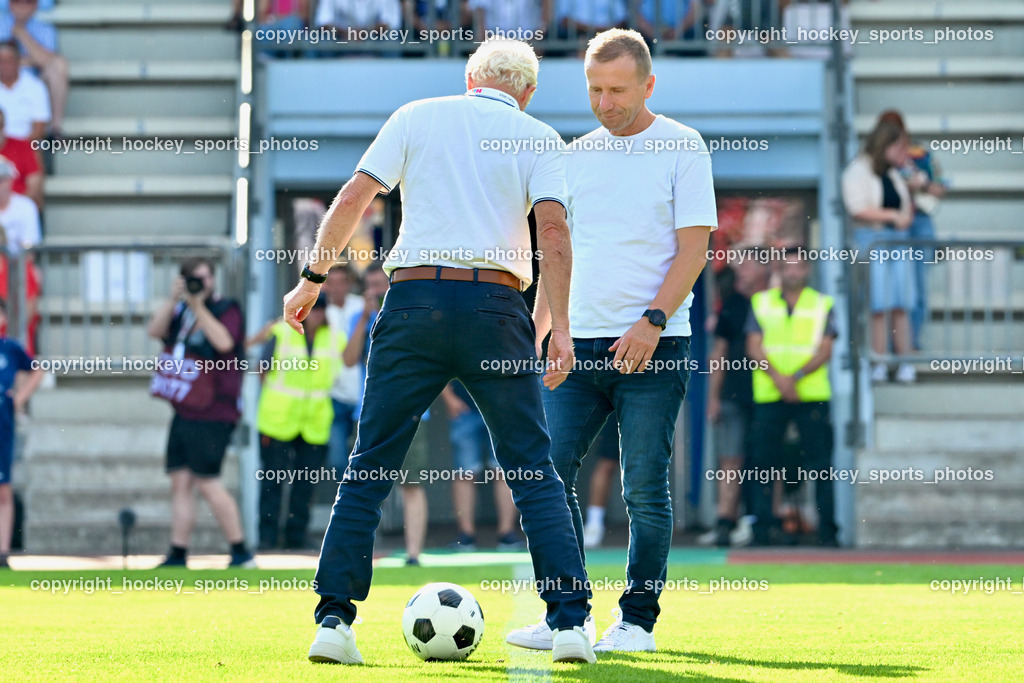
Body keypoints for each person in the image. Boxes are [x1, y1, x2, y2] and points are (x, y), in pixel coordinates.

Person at [284, 39, 595, 665]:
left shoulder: (416, 115)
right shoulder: (539, 136)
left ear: (470, 78)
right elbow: (555, 235)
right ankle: (568, 626)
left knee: (370, 463)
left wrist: (312, 279)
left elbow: (352, 201)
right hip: (497, 307)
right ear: (527, 92)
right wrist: (560, 327)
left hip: (413, 303)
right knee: (534, 468)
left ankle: (333, 624)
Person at [514, 28, 716, 653]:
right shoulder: (572, 156)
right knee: (548, 474)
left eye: (618, 90)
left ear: (648, 85)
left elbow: (695, 249)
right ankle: (565, 616)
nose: (605, 102)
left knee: (643, 486)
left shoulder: (684, 147)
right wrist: (544, 335)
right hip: (577, 349)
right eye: (595, 90)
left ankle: (637, 620)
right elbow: (557, 257)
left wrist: (652, 321)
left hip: (655, 345)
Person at [147, 257, 254, 569]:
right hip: (184, 410)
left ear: (213, 280)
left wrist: (198, 306)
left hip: (215, 411)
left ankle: (240, 550)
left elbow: (223, 342)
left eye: (205, 278)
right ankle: (178, 553)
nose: (200, 284)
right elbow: (155, 331)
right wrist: (174, 300)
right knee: (180, 481)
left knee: (208, 480)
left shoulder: (227, 309)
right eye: (194, 279)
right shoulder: (179, 311)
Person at [335, 262, 430, 567]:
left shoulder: (413, 315)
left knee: (411, 484)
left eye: (381, 286)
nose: (376, 292)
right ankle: (361, 554)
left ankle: (414, 553)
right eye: (371, 287)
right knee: (363, 484)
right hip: (371, 412)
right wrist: (365, 316)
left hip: (412, 413)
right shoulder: (359, 318)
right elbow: (349, 360)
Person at [745, 246, 838, 547]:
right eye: (788, 267)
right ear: (779, 269)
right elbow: (752, 346)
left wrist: (792, 379)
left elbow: (826, 350)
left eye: (798, 266)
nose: (793, 272)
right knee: (762, 465)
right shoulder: (760, 302)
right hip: (771, 394)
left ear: (808, 269)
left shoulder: (823, 304)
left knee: (821, 465)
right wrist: (781, 380)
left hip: (811, 393)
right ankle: (762, 531)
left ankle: (828, 533)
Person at [256, 293, 344, 550]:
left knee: (305, 484)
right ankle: (267, 537)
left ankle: (296, 536)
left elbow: (348, 361)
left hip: (314, 423)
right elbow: (262, 368)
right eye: (310, 310)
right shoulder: (281, 332)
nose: (314, 315)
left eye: (318, 310)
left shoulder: (335, 338)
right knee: (272, 481)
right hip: (278, 420)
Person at [841, 120, 916, 384]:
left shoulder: (895, 173)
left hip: (898, 241)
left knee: (901, 304)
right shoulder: (857, 170)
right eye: (898, 148)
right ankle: (880, 361)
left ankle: (906, 362)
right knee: (879, 304)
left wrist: (903, 215)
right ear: (885, 145)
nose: (902, 154)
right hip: (873, 241)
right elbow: (857, 208)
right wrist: (892, 216)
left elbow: (906, 205)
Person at [704, 255, 768, 547]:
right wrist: (713, 397)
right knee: (731, 459)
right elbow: (719, 352)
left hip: (770, 394)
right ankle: (724, 522)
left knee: (768, 460)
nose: (741, 270)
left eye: (749, 263)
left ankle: (764, 521)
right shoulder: (732, 304)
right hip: (734, 392)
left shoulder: (774, 304)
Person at [877, 109, 947, 351]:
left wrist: (922, 183)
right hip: (889, 225)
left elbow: (940, 188)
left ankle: (911, 343)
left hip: (918, 223)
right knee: (887, 291)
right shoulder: (873, 160)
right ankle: (887, 346)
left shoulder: (919, 153)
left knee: (916, 288)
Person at [442, 380, 524, 552]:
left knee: (504, 471)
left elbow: (522, 359)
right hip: (463, 406)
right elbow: (439, 361)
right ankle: (465, 536)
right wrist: (449, 398)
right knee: (464, 473)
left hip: (502, 407)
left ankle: (507, 534)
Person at [0, 298, 42, 569]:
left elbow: (36, 369)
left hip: (3, 425)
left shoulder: (10, 349)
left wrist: (19, 399)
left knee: (4, 489)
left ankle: (3, 552)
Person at [0, 0, 67, 137]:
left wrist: (22, 33)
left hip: (35, 81)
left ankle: (55, 129)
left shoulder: (45, 28)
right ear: (9, 4)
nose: (22, 6)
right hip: (3, 80)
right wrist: (30, 60)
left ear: (36, 5)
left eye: (28, 2)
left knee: (59, 67)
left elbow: (49, 61)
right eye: (17, 1)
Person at [323, 264, 363, 473]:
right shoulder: (321, 313)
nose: (337, 288)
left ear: (349, 284)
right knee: (337, 460)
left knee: (363, 456)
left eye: (342, 282)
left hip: (361, 392)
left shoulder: (362, 306)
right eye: (332, 283)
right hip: (334, 394)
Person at [579, 420, 619, 549]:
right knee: (607, 463)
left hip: (643, 404)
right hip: (614, 408)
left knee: (645, 466)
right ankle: (594, 526)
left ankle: (647, 529)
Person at [0, 40, 48, 142]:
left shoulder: (36, 86)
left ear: (18, 61)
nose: (5, 65)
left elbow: (39, 128)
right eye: (1, 61)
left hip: (25, 146)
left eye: (10, 60)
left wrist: (19, 148)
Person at [0, 109, 41, 206]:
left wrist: (17, 207)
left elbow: (34, 185)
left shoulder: (22, 146)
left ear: (4, 126)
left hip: (18, 207)